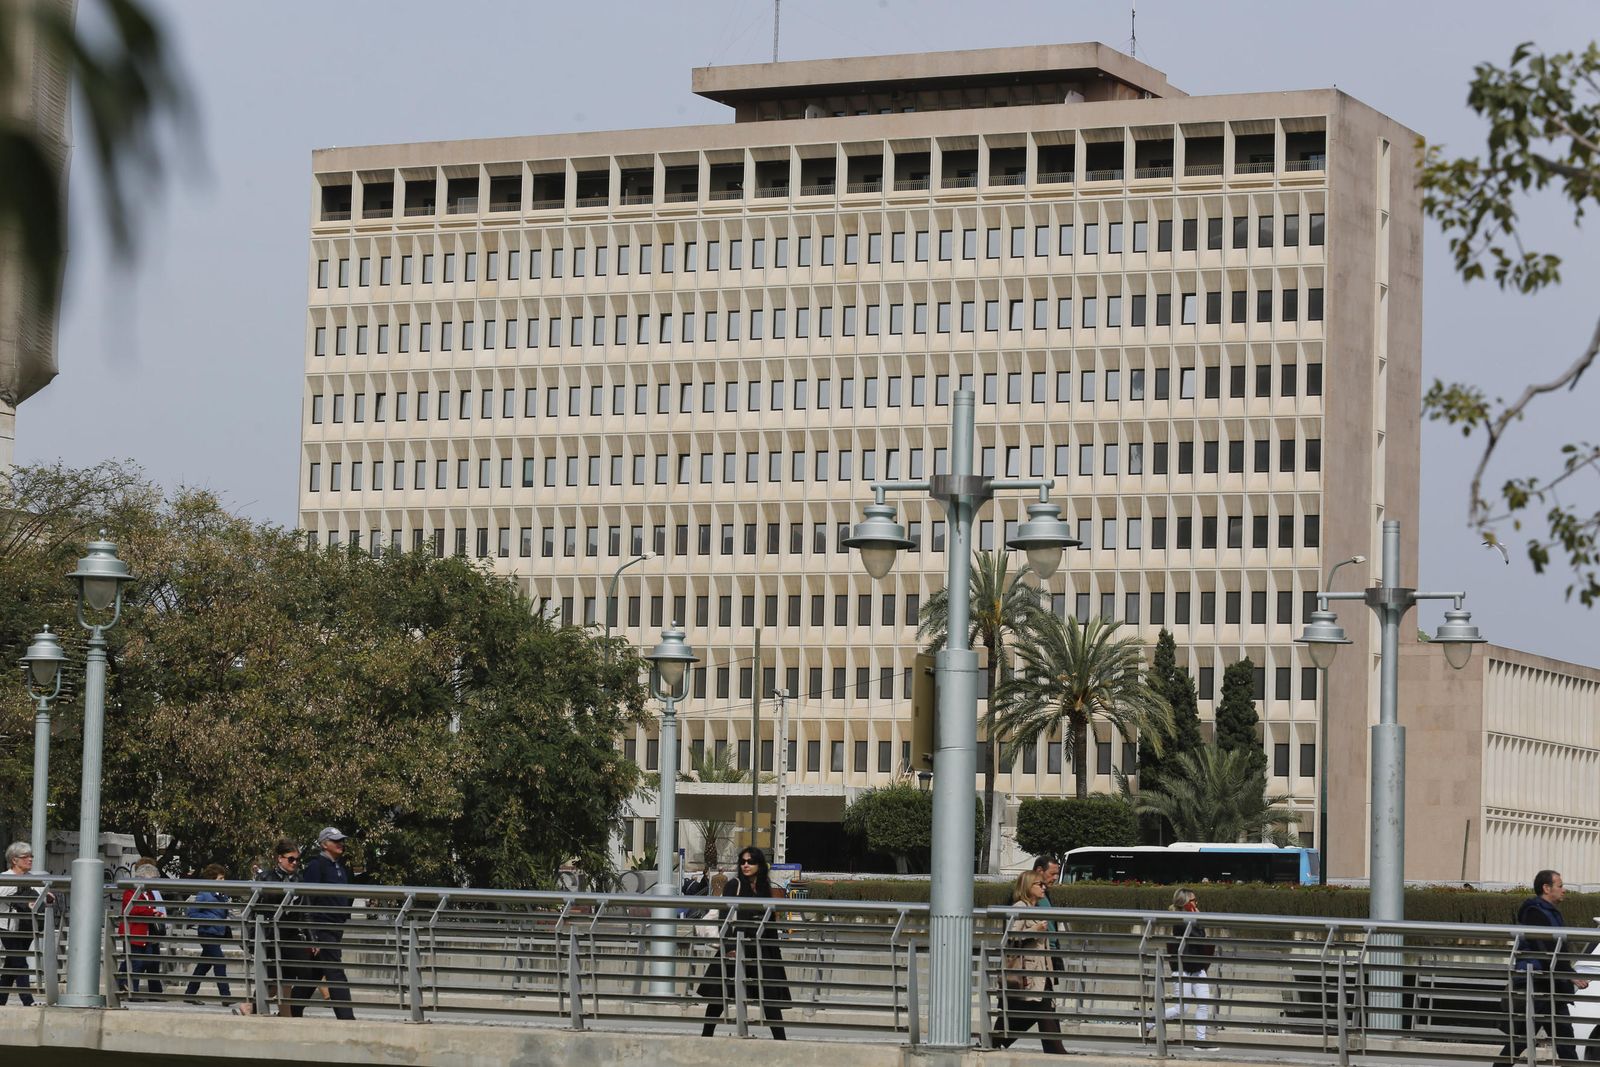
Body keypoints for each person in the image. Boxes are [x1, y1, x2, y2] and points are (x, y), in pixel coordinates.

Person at [1497, 869, 1589, 1065]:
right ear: (1546, 888)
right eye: (1560, 886)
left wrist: (1568, 974)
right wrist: (1569, 975)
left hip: (1550, 986)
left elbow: (1556, 952)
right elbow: (1545, 949)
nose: (1564, 890)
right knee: (1524, 1040)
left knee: (1563, 1043)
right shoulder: (1534, 913)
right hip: (1538, 986)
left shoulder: (1550, 913)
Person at [698, 846, 789, 1039]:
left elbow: (769, 922)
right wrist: (730, 947)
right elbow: (726, 915)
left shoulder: (765, 887)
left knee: (769, 996)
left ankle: (781, 1040)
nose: (746, 865)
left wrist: (774, 952)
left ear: (760, 865)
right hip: (737, 946)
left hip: (760, 948)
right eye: (743, 861)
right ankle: (706, 1036)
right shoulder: (735, 884)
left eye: (751, 862)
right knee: (720, 996)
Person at [992, 870, 1065, 1054]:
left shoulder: (1035, 909)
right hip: (1028, 971)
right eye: (1039, 885)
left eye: (1044, 885)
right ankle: (1055, 1051)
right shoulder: (1019, 907)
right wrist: (1034, 929)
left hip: (1039, 970)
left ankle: (996, 1039)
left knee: (1042, 1008)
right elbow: (1010, 939)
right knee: (1040, 1008)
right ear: (1028, 887)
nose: (1044, 887)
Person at [235, 838, 306, 1016]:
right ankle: (265, 1010)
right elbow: (254, 909)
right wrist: (251, 938)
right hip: (268, 935)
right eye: (291, 859)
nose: (295, 863)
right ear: (279, 858)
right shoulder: (266, 877)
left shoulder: (298, 878)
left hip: (289, 935)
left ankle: (256, 1008)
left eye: (297, 859)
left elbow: (304, 908)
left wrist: (307, 933)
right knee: (274, 977)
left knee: (289, 975)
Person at [290, 828, 355, 1019]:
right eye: (335, 841)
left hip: (335, 926)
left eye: (341, 840)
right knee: (334, 970)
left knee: (314, 973)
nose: (340, 844)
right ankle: (347, 1019)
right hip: (322, 926)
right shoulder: (316, 865)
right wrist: (312, 934)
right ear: (324, 844)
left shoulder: (339, 867)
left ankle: (294, 1011)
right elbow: (308, 900)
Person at [1156, 888, 1218, 1049]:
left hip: (1197, 968)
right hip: (1183, 969)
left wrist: (1196, 916)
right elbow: (1199, 937)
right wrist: (1196, 916)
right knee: (1180, 1008)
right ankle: (1150, 1023)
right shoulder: (1180, 921)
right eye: (1193, 901)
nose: (1196, 903)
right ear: (1185, 903)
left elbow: (1201, 938)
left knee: (1203, 1004)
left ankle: (1200, 1041)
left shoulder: (1192, 919)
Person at [0, 842, 51, 1007]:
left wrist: (47, 896)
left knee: (12, 964)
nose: (30, 860)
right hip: (7, 928)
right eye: (25, 857)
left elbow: (41, 895)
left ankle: (0, 1001)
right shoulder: (5, 877)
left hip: (26, 927)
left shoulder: (30, 879)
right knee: (20, 963)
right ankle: (28, 1001)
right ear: (14, 860)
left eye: (31, 856)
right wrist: (24, 896)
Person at [184, 864, 232, 1001]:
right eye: (221, 878)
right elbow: (192, 914)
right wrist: (211, 918)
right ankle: (225, 996)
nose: (223, 881)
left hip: (217, 933)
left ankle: (190, 994)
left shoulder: (222, 895)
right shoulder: (204, 894)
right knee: (219, 961)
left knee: (203, 965)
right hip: (207, 933)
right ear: (212, 879)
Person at [118, 863, 166, 997]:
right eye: (153, 879)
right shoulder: (130, 891)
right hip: (133, 931)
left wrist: (154, 912)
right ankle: (133, 990)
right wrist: (152, 911)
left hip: (145, 933)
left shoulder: (148, 893)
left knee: (145, 961)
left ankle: (124, 982)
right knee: (137, 962)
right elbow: (133, 908)